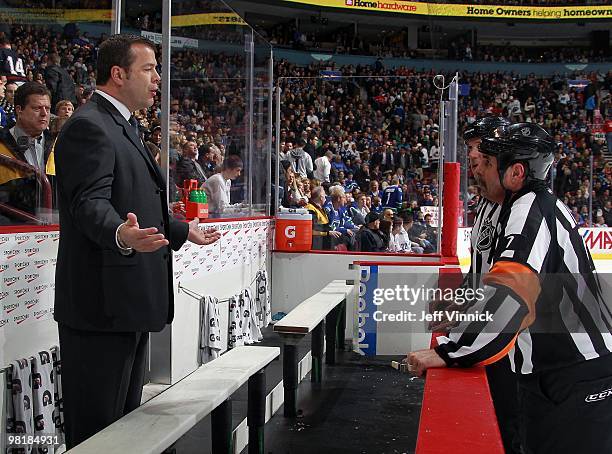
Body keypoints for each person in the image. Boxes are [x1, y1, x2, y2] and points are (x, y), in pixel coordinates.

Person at [53, 34, 221, 449]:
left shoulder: (121, 124)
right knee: (97, 432)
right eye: (148, 69)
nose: (157, 79)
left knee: (122, 430)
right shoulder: (88, 127)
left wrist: (182, 230)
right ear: (117, 74)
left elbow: (135, 202)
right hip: (100, 309)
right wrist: (119, 234)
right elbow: (88, 204)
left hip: (125, 305)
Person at [408, 122, 612, 453]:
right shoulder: (523, 206)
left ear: (515, 173)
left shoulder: (530, 209)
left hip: (575, 374)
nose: (479, 170)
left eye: (488, 164)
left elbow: (510, 296)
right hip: (557, 371)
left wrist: (451, 351)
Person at [433, 116, 520, 453]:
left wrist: (459, 344)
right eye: (470, 151)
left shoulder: (515, 210)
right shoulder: (486, 204)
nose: (472, 159)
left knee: (511, 423)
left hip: (508, 342)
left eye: (478, 151)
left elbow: (506, 289)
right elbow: (477, 269)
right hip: (487, 330)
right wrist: (461, 307)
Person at [0, 82, 55, 224]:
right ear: (19, 110)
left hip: (53, 235)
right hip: (10, 236)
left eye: (47, 108)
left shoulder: (60, 145)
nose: (44, 114)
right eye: (37, 108)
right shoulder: (1, 145)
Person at [305, 185, 335, 250]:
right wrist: (327, 233)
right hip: (316, 246)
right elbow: (313, 229)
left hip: (324, 244)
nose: (326, 199)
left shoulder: (321, 209)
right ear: (321, 197)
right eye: (325, 196)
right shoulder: (310, 209)